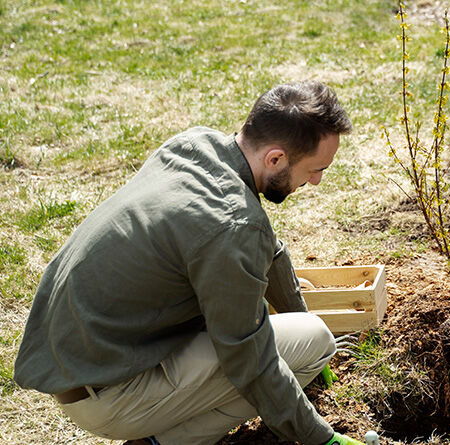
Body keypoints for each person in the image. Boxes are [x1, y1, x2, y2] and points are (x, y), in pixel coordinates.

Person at [14, 81, 364, 445]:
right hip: (111, 394)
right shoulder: (234, 224)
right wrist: (322, 439)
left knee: (293, 333)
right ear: (275, 158)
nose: (317, 180)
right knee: (315, 339)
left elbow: (270, 252)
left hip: (84, 362)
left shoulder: (196, 147)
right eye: (315, 169)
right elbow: (250, 360)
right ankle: (162, 441)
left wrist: (296, 309)